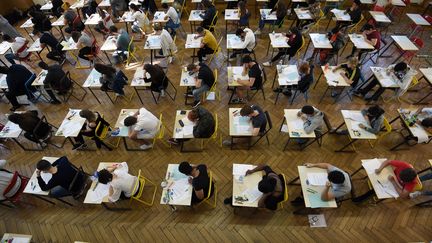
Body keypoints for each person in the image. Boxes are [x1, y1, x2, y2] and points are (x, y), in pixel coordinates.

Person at [353, 160, 419, 202]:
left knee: (375, 190)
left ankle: (358, 200)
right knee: (375, 178)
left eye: (403, 180)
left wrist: (393, 182)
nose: (401, 179)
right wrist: (379, 169)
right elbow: (388, 162)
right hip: (390, 177)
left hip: (396, 187)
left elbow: (402, 195)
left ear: (409, 181)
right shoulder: (405, 165)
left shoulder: (413, 183)